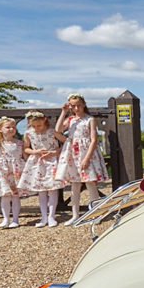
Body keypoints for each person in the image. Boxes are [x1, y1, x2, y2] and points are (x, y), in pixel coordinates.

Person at [55, 93, 108, 225]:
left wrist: (87, 158)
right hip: (73, 153)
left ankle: (96, 214)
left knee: (90, 183)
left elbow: (94, 140)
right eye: (74, 106)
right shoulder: (71, 120)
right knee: (75, 184)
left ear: (84, 105)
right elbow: (58, 129)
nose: (77, 108)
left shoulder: (89, 119)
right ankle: (75, 215)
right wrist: (64, 112)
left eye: (79, 105)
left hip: (86, 153)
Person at [18, 110, 66, 227]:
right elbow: (26, 148)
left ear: (44, 120)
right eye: (34, 126)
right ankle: (44, 216)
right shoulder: (29, 133)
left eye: (39, 125)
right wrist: (35, 152)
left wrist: (55, 152)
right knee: (41, 191)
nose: (37, 128)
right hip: (37, 163)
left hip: (52, 162)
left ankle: (52, 216)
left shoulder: (52, 132)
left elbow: (66, 142)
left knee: (52, 189)